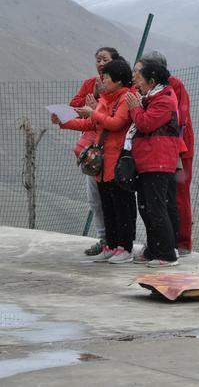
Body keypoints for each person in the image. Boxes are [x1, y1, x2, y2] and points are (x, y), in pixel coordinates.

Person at [54, 57, 137, 264]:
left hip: (118, 160)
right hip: (102, 161)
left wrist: (94, 114)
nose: (103, 81)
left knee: (121, 206)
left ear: (118, 80)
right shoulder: (105, 99)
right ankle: (110, 246)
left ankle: (124, 248)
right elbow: (91, 123)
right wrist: (64, 122)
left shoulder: (126, 98)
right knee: (107, 204)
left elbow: (117, 123)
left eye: (107, 77)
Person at [125, 60, 182, 268]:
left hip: (158, 160)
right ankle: (153, 249)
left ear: (151, 80)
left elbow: (146, 123)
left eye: (139, 76)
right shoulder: (150, 97)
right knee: (146, 207)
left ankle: (167, 253)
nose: (135, 81)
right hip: (146, 160)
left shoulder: (165, 99)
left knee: (156, 208)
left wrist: (135, 108)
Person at [140, 51, 194, 256]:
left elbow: (179, 118)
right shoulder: (150, 87)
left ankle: (182, 242)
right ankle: (162, 241)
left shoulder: (173, 86)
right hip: (158, 148)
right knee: (158, 198)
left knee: (178, 195)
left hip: (178, 147)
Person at [71, 47, 120, 256]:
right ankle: (103, 239)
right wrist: (94, 97)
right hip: (92, 152)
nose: (100, 63)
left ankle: (118, 242)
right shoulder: (90, 84)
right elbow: (74, 105)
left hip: (110, 148)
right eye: (98, 59)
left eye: (105, 59)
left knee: (112, 197)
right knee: (94, 198)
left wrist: (102, 99)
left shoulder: (121, 87)